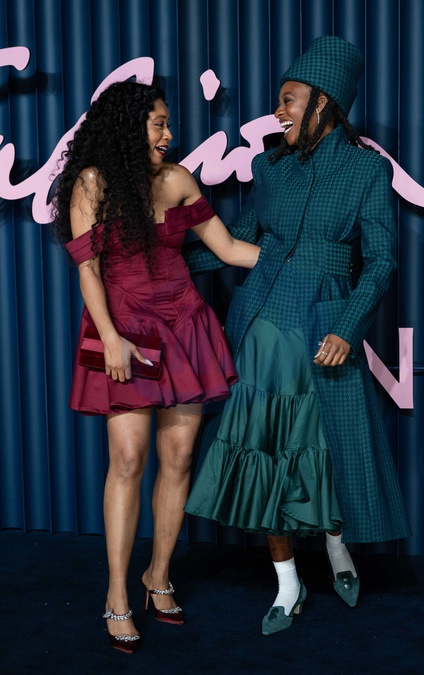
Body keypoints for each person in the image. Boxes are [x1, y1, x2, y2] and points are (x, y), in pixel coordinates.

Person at [184, 35, 411, 634]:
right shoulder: (267, 168)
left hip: (324, 328)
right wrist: (159, 259)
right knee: (265, 459)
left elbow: (381, 261)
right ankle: (288, 584)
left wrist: (347, 328)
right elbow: (231, 243)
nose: (277, 110)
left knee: (324, 454)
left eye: (288, 99)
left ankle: (337, 548)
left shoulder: (366, 170)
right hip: (261, 329)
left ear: (324, 102)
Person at [51, 80, 260, 653]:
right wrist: (111, 339)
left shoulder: (177, 180)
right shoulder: (91, 184)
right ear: (127, 127)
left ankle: (158, 576)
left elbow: (228, 250)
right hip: (124, 331)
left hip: (185, 325)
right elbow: (88, 270)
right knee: (127, 459)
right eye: (159, 123)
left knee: (179, 456)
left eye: (168, 123)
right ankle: (117, 592)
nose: (170, 134)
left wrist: (301, 260)